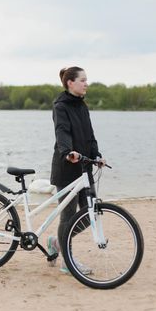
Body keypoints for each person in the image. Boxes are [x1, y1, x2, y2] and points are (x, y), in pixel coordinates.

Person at [47, 66, 105, 274]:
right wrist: (67, 152)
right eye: (83, 80)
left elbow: (90, 135)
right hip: (67, 167)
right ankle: (67, 262)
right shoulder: (60, 106)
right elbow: (61, 132)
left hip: (84, 167)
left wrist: (96, 155)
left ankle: (57, 242)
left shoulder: (82, 106)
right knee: (68, 216)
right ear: (71, 83)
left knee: (93, 214)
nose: (86, 84)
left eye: (86, 80)